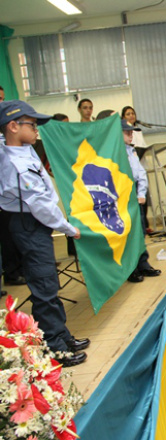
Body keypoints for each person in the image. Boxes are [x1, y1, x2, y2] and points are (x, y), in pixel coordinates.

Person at [0, 100, 89, 367]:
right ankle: (55, 347)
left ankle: (62, 335)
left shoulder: (24, 150)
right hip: (29, 222)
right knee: (45, 287)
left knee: (49, 282)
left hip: (35, 221)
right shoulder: (13, 163)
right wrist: (67, 228)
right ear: (13, 126)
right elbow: (38, 203)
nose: (37, 129)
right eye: (32, 124)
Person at [121, 120, 161, 283]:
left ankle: (143, 263)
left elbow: (141, 173)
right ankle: (131, 268)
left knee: (140, 231)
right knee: (128, 233)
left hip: (136, 193)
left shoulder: (131, 151)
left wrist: (142, 192)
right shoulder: (114, 153)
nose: (131, 135)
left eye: (132, 132)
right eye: (127, 132)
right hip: (123, 194)